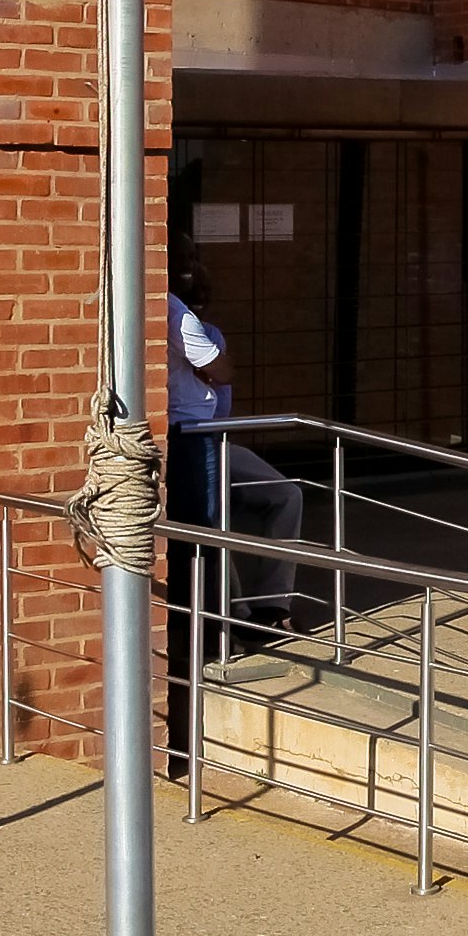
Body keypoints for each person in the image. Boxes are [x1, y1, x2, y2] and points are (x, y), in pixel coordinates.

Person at [165, 257, 307, 659]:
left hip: (213, 435)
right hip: (183, 436)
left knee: (286, 494)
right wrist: (210, 370)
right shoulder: (172, 315)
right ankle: (231, 617)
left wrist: (212, 369)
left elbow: (223, 392)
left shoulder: (207, 331)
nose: (203, 295)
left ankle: (272, 608)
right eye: (194, 282)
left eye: (207, 288)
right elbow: (220, 373)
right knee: (210, 521)